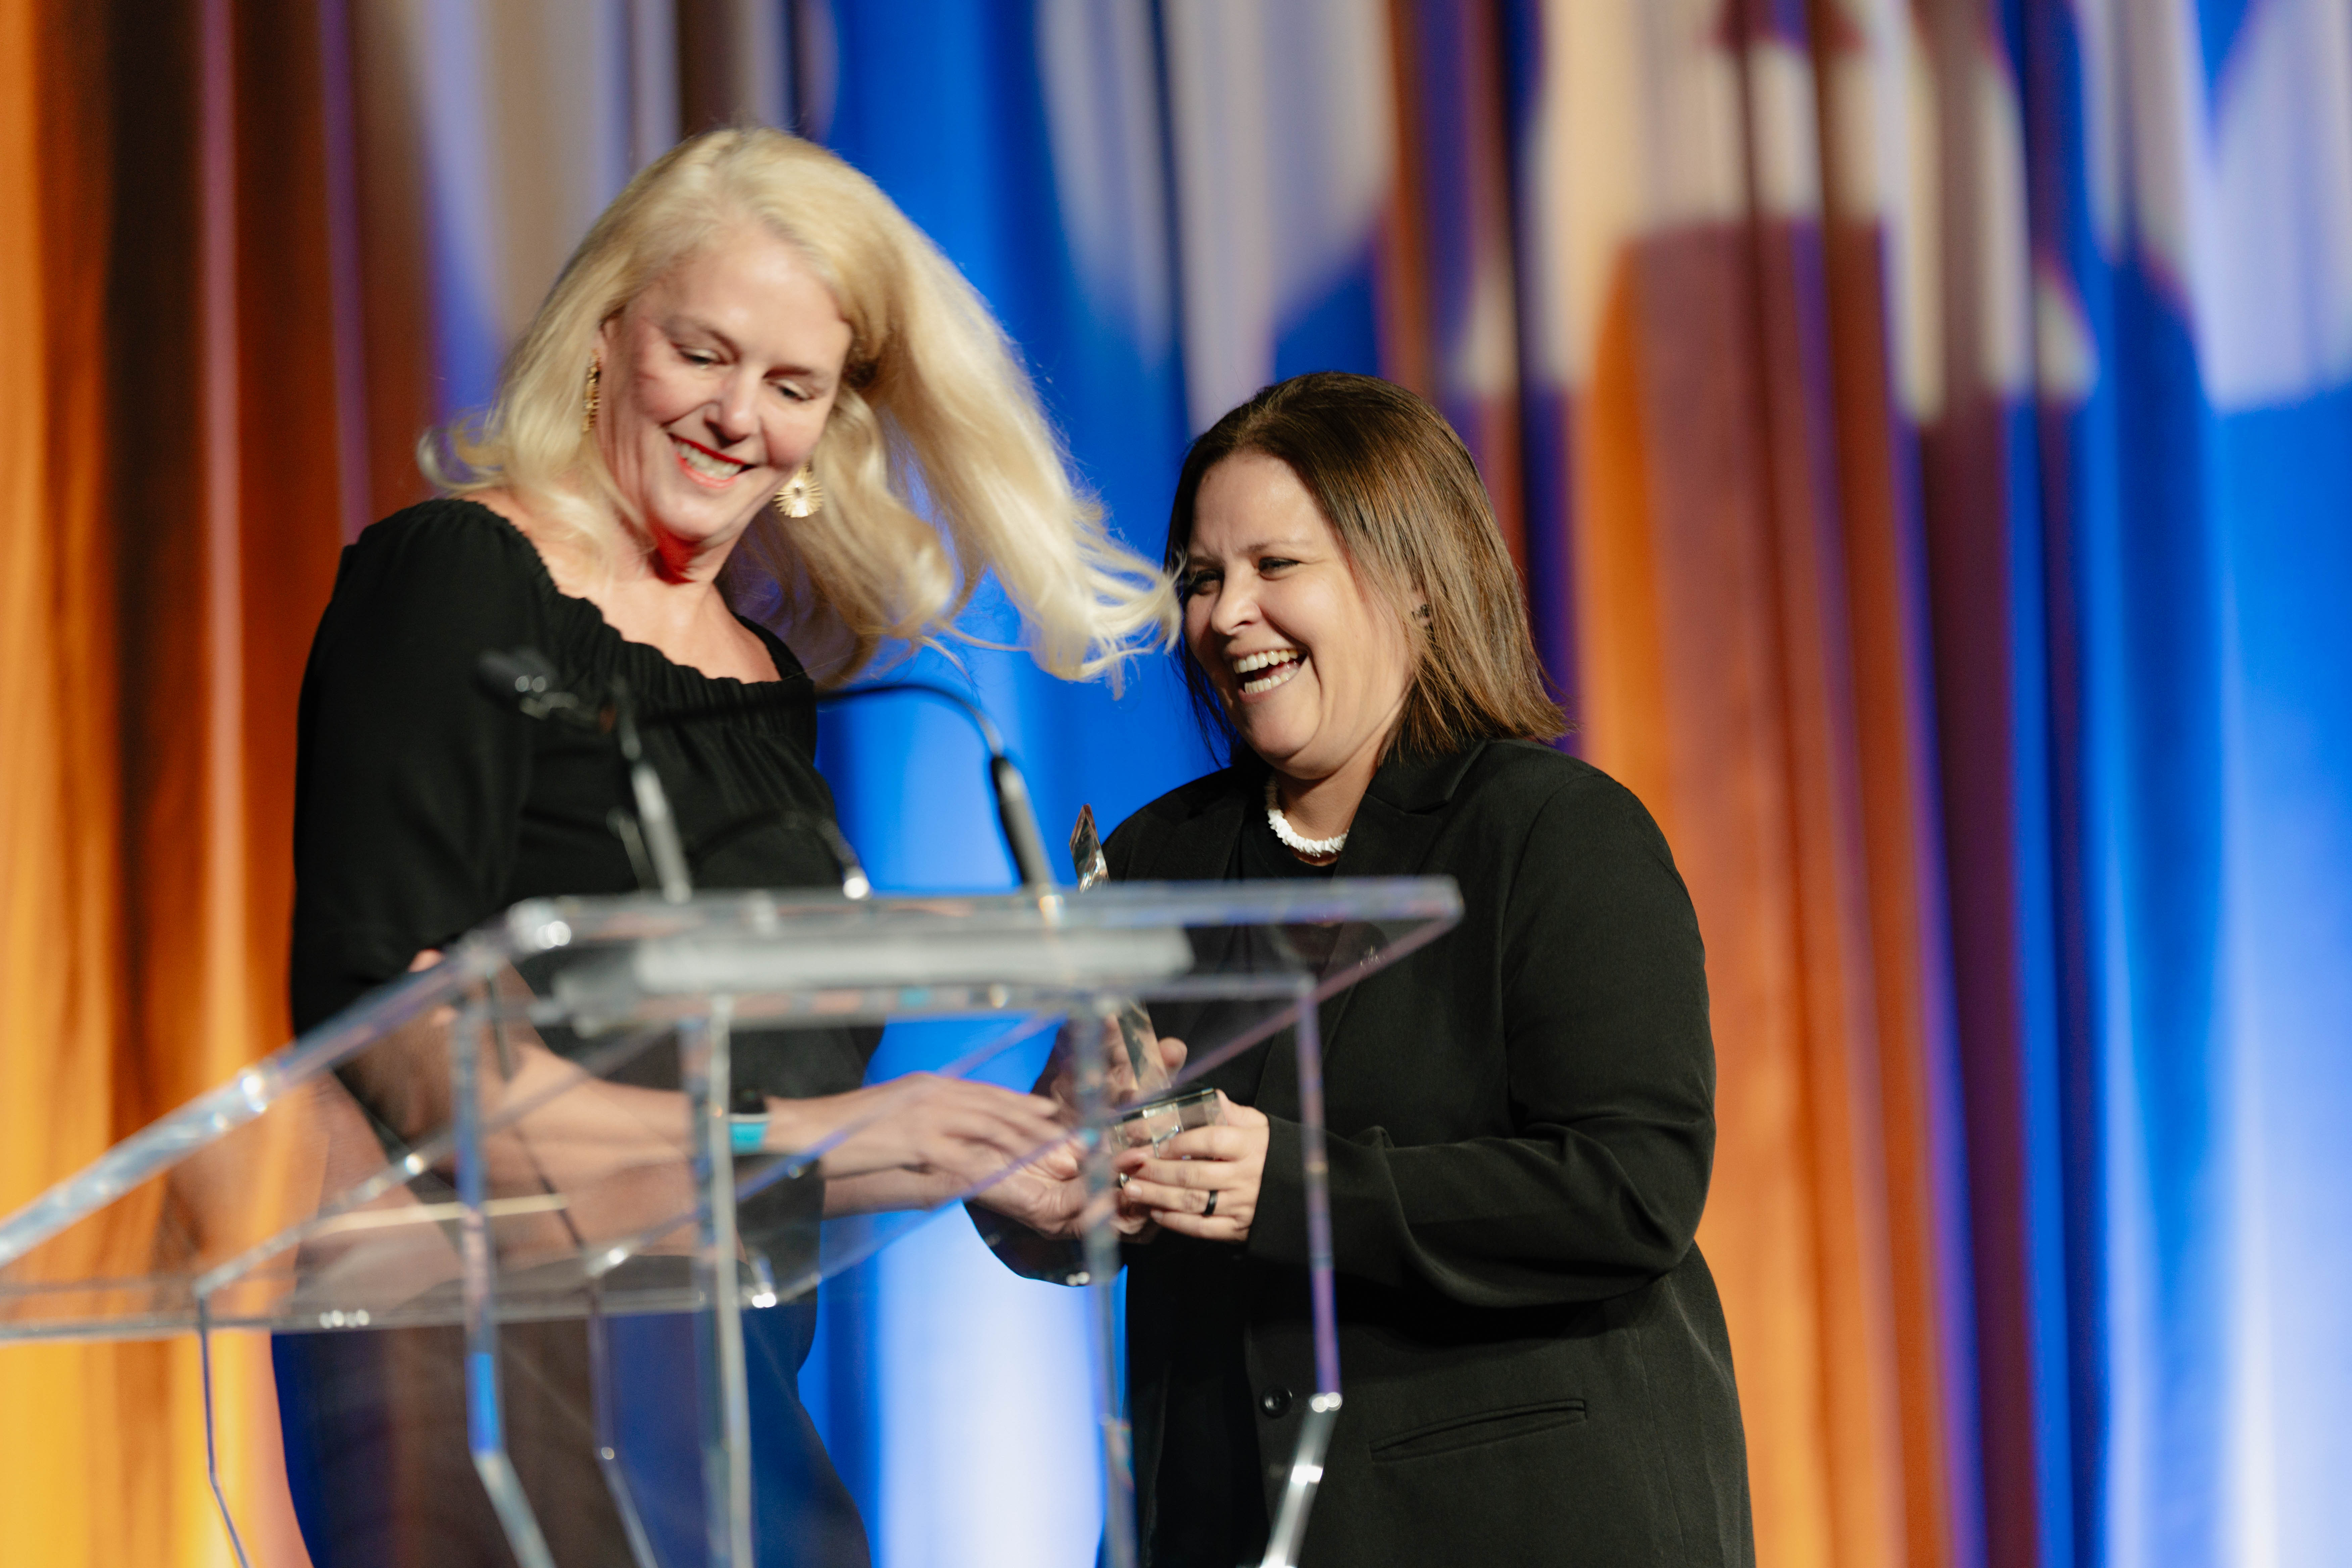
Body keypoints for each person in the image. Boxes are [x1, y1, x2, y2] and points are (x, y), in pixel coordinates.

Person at [274, 127, 1173, 1568]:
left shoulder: (769, 692)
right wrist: (824, 1132)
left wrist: (981, 1155)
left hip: (716, 1365)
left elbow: (741, 1132)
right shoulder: (455, 578)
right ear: (608, 332)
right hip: (480, 1353)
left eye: (792, 384)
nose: (737, 415)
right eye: (703, 352)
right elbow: (398, 1023)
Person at [1045, 373, 1754, 1565]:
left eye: (1278, 567)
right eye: (1206, 579)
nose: (1227, 616)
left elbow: (1630, 1191)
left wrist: (1296, 1187)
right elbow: (1088, 1177)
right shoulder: (1155, 860)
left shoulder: (1552, 832)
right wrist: (1047, 1192)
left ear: (1416, 578)